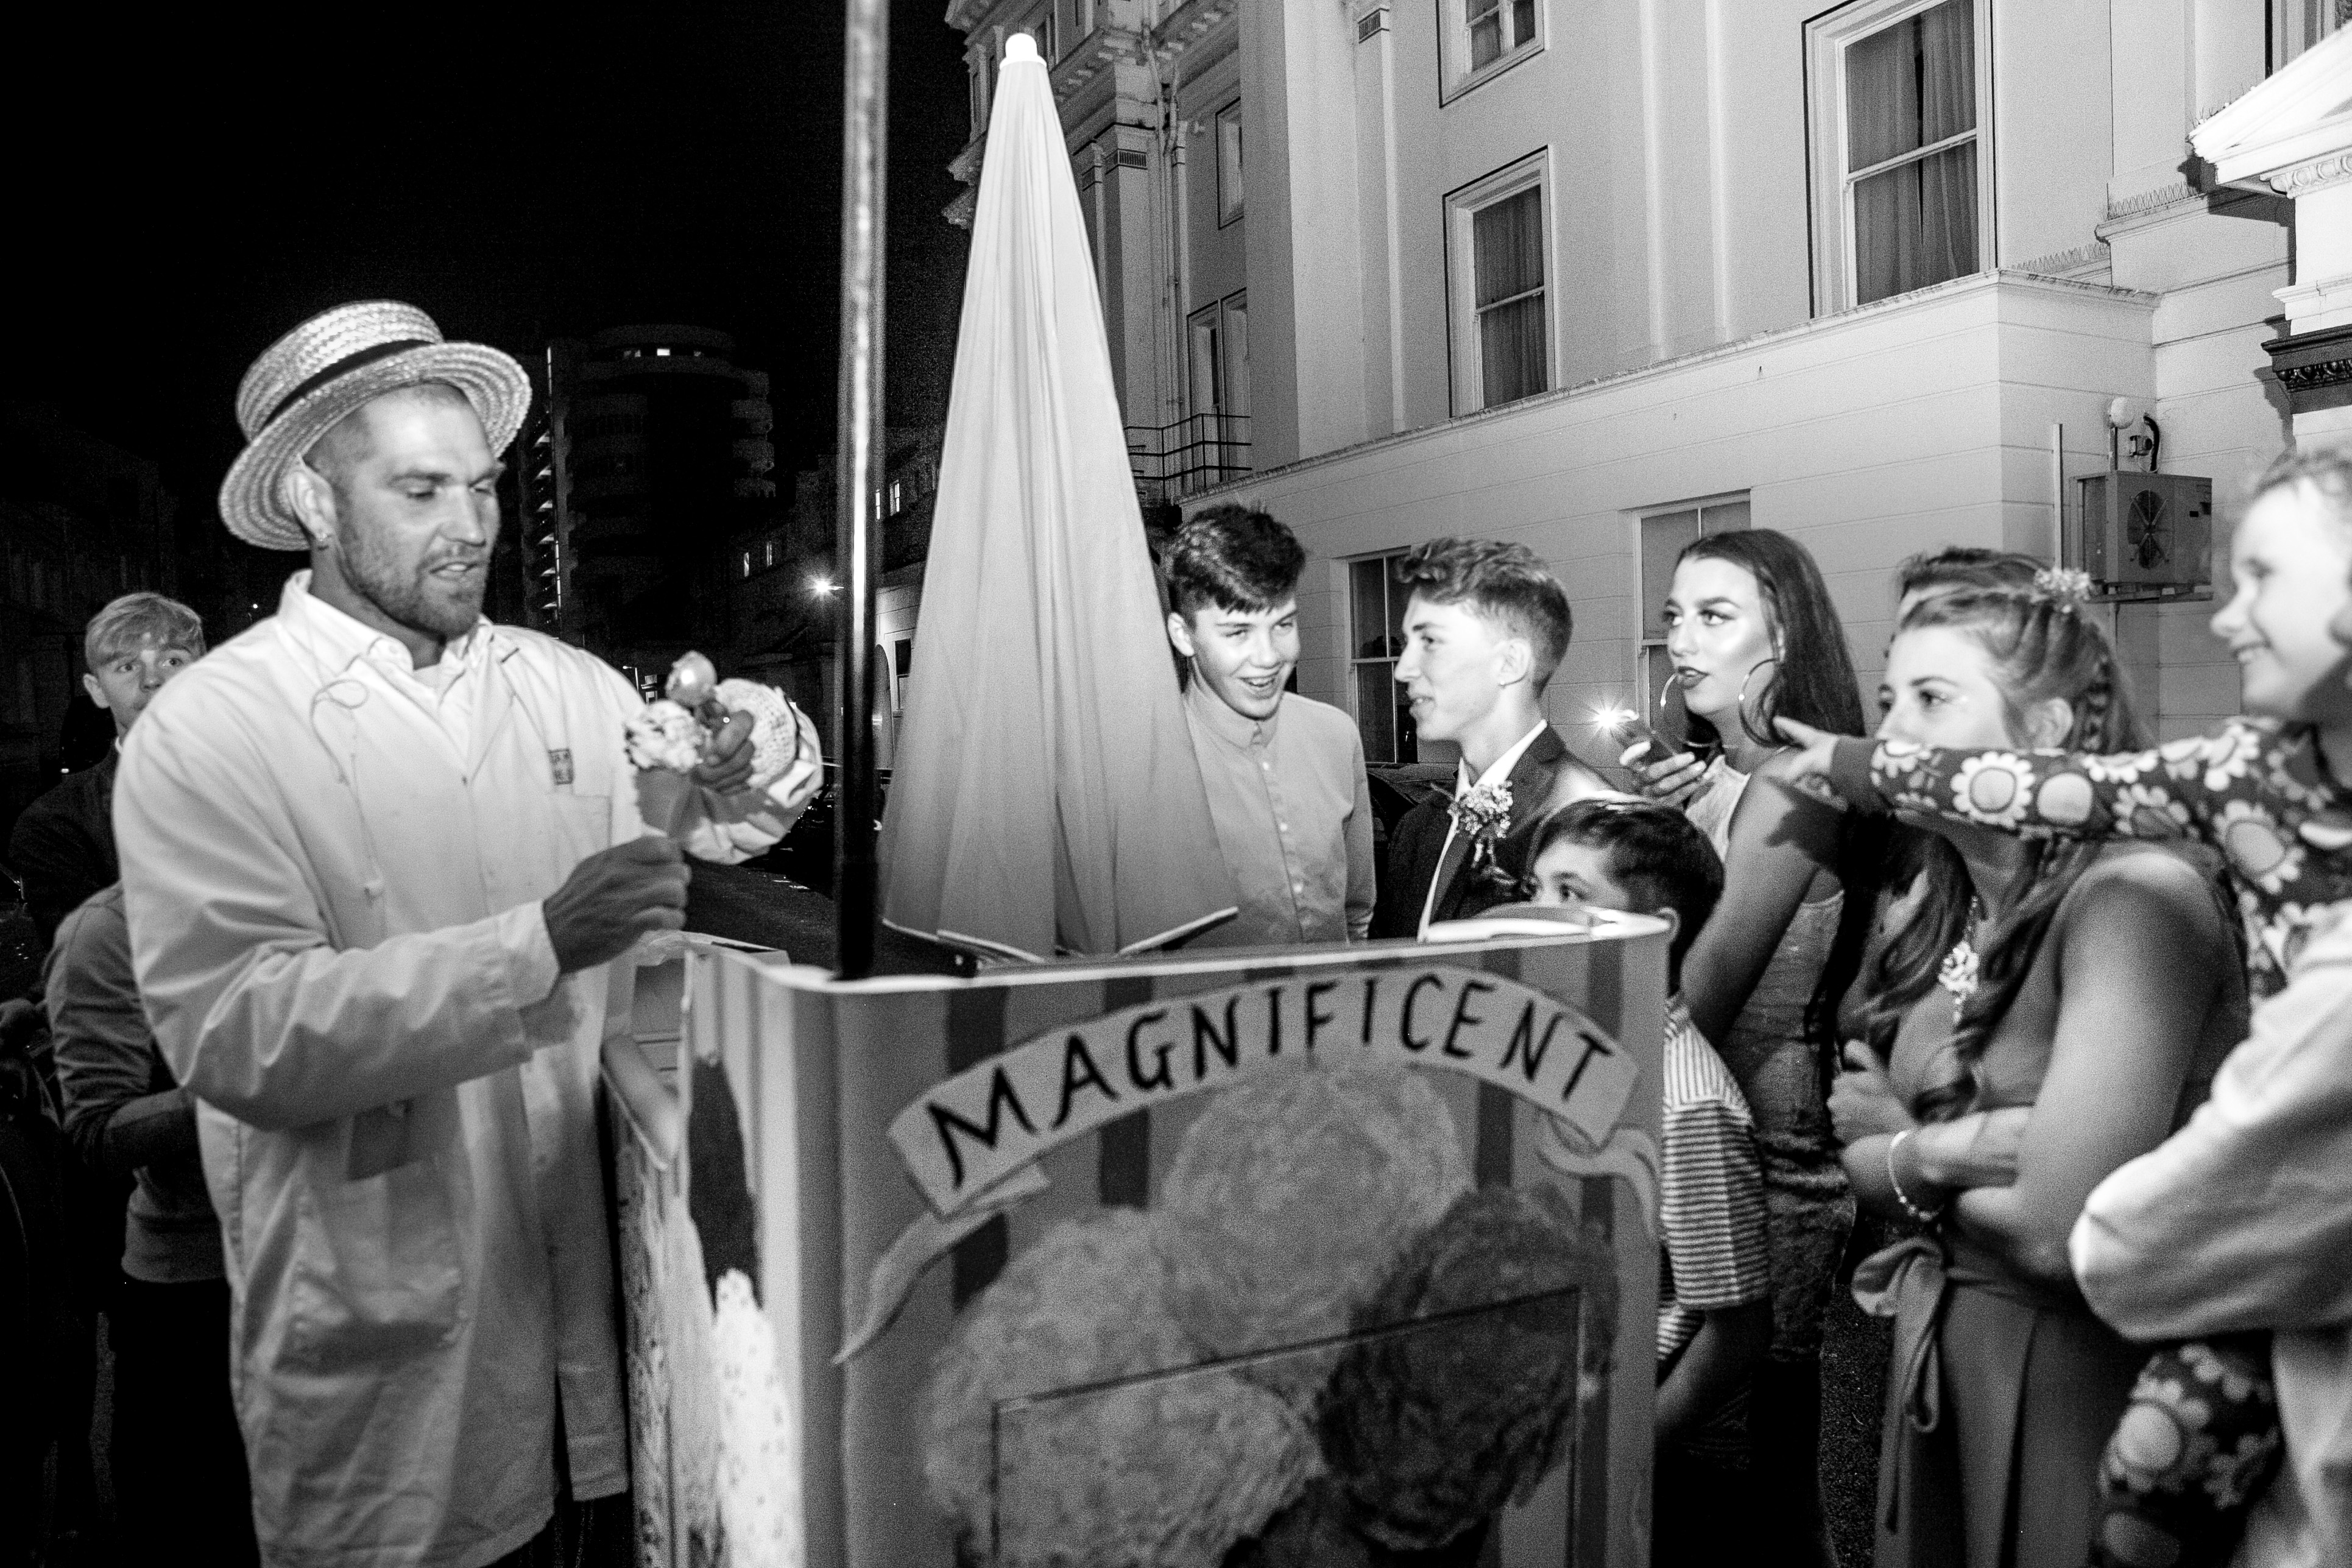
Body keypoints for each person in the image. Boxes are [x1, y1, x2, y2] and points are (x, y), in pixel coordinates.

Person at [113, 301, 821, 1568]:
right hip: (395, 1389)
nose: (474, 524)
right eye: (422, 490)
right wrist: (538, 942)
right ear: (316, 502)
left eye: (485, 485)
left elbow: (718, 820)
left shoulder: (564, 685)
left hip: (608, 1348)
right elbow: (240, 1033)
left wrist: (742, 745)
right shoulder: (213, 729)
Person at [1825, 582, 2246, 1568]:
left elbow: (2059, 1230)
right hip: (1947, 1344)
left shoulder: (2134, 895)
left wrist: (1907, 1155)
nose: (1891, 733)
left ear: (2046, 729)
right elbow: (1847, 1114)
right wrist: (1959, 1150)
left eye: (1931, 699)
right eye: (1887, 701)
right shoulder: (1944, 898)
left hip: (2080, 1368)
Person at [1640, 528, 1877, 1561]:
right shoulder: (1732, 778)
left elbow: (1694, 994)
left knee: (1743, 1495)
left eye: (1714, 615)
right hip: (1712, 1157)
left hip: (1765, 1174)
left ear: (1784, 638)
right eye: (1674, 615)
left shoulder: (1791, 784)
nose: (1681, 639)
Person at [1524, 799, 1770, 1566]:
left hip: (1664, 1463)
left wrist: (1624, 1454)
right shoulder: (1572, 1053)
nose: (1537, 914)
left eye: (1571, 893)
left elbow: (1736, 1330)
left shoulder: (1686, 1100)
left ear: (1656, 929)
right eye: (1535, 888)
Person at [48, 881, 255, 1565]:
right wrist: (266, 1077)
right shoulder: (109, 932)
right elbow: (98, 1132)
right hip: (191, 1288)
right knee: (192, 1528)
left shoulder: (293, 894)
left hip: (326, 1260)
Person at [1369, 537, 1611, 938]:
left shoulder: (1586, 821)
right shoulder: (1417, 827)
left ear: (1509, 663)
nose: (1403, 669)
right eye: (1408, 644)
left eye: (1430, 642)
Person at [1162, 504, 1375, 945]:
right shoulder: (1146, 764)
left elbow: (1356, 912)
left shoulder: (1337, 736)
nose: (1268, 657)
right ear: (1183, 635)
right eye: (1237, 632)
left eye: (1283, 625)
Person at [9, 592, 203, 950]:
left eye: (172, 661)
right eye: (127, 666)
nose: (152, 680)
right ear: (97, 690)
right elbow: (96, 961)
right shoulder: (57, 823)